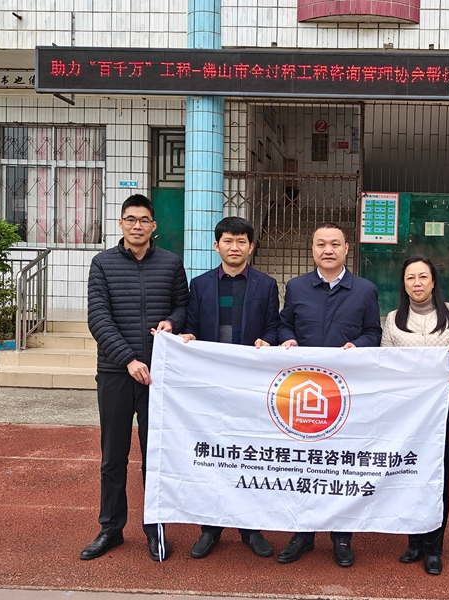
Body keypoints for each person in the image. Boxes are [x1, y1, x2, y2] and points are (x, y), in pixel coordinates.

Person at [82, 194, 188, 562]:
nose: (137, 225)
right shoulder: (103, 263)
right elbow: (98, 318)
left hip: (158, 376)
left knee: (154, 456)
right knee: (113, 457)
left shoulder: (171, 263)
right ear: (121, 223)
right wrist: (128, 359)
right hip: (116, 373)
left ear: (154, 226)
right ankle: (110, 529)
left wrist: (172, 322)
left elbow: (182, 305)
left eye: (144, 220)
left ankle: (155, 529)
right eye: (131, 219)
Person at [276, 222, 382, 567]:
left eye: (335, 244)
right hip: (301, 396)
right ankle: (302, 535)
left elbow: (374, 332)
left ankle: (341, 537)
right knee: (304, 465)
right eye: (321, 244)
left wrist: (358, 345)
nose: (328, 250)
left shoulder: (364, 289)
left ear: (347, 248)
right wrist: (288, 338)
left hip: (344, 394)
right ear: (313, 249)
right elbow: (284, 324)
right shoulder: (296, 286)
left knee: (340, 466)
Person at [179, 216, 280, 560]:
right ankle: (211, 527)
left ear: (251, 247)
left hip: (250, 386)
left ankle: (250, 527)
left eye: (241, 241)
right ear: (216, 245)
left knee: (249, 454)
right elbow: (192, 325)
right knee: (214, 454)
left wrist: (267, 340)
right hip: (211, 385)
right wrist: (188, 336)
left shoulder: (267, 285)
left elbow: (273, 326)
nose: (234, 247)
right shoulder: (200, 285)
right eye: (227, 241)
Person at [380, 255, 449, 575]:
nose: (417, 283)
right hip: (408, 409)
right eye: (411, 277)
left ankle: (434, 546)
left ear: (434, 281)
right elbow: (385, 361)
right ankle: (415, 542)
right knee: (410, 470)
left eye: (423, 276)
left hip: (446, 404)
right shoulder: (393, 319)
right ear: (404, 284)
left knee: (438, 472)